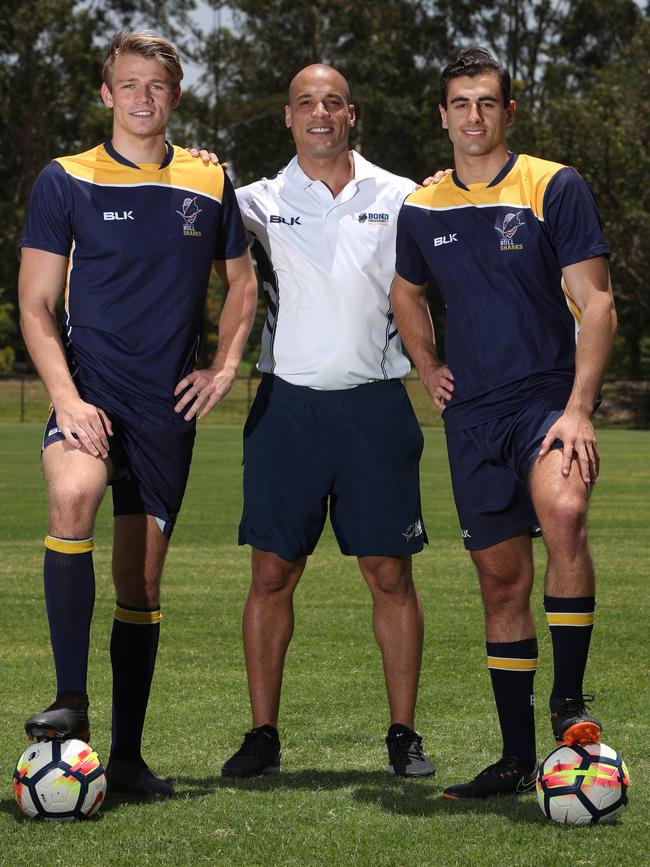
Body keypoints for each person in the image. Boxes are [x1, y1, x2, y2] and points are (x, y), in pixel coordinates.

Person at [18, 29, 257, 797]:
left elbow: (243, 283)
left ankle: (125, 759)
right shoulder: (66, 179)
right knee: (73, 493)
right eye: (128, 84)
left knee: (140, 585)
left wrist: (223, 367)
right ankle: (69, 700)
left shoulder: (207, 181)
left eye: (156, 86)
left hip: (165, 409)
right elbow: (34, 305)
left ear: (175, 96)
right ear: (106, 92)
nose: (142, 98)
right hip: (90, 391)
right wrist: (66, 398)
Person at [391, 46, 616, 799]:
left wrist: (580, 408)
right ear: (443, 114)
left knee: (565, 509)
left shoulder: (554, 185)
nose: (473, 116)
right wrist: (426, 364)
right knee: (500, 583)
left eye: (487, 102)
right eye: (460, 103)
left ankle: (571, 703)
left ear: (508, 111)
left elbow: (600, 302)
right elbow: (405, 293)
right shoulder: (421, 207)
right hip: (473, 416)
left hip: (546, 399)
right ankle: (517, 756)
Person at [217, 64, 434, 778]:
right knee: (273, 572)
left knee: (389, 573)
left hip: (376, 407)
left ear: (352, 113)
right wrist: (200, 169)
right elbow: (181, 213)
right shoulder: (252, 200)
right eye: (306, 102)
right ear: (287, 116)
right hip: (288, 410)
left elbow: (456, 224)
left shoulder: (402, 194)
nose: (319, 113)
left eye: (332, 102)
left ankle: (403, 734)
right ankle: (261, 735)